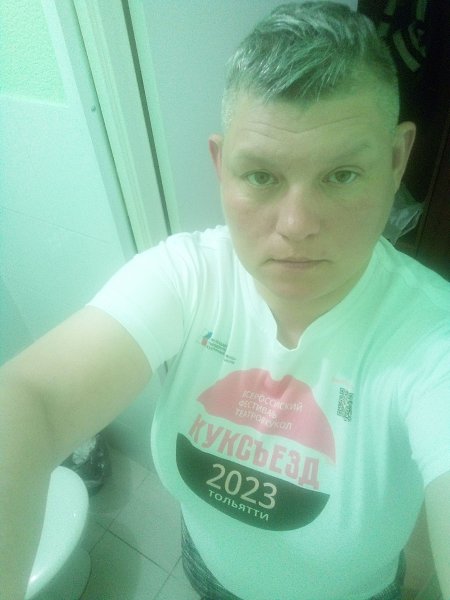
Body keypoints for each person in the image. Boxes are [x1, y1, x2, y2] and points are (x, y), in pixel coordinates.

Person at [1, 2, 449, 599]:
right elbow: (34, 399)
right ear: (220, 164)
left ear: (395, 161)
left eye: (342, 174)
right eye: (261, 176)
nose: (296, 225)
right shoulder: (189, 276)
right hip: (207, 572)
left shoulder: (430, 336)